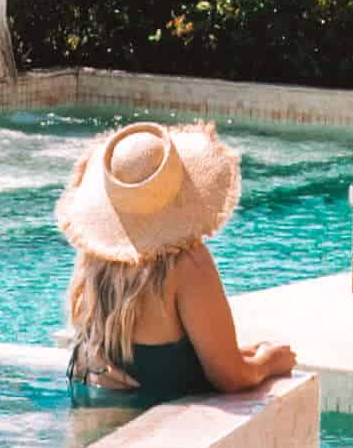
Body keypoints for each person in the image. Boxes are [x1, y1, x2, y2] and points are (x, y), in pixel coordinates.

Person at [54, 121, 297, 406]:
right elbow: (230, 378)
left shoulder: (94, 260)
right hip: (154, 433)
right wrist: (270, 361)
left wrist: (240, 353)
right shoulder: (186, 264)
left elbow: (147, 359)